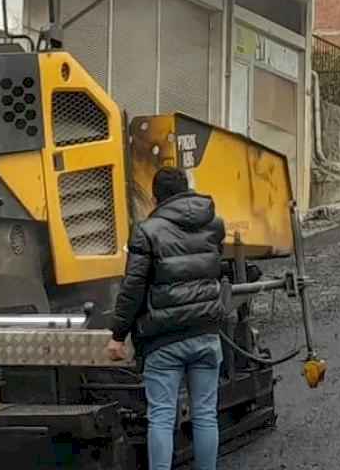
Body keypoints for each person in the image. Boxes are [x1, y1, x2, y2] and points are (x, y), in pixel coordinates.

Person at [106, 167, 228, 470]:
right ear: (186, 189)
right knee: (205, 414)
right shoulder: (214, 224)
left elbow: (133, 287)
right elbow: (214, 268)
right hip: (206, 332)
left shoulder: (147, 231)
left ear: (155, 197)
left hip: (164, 339)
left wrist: (118, 335)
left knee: (161, 416)